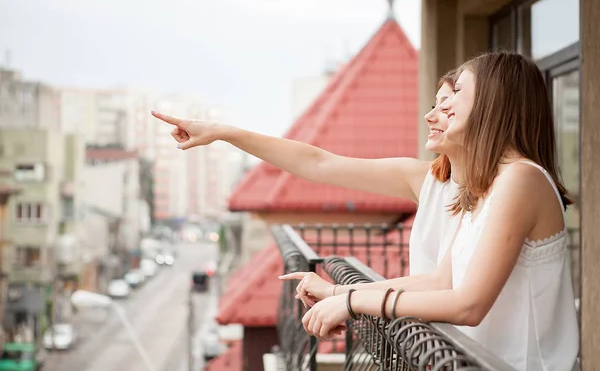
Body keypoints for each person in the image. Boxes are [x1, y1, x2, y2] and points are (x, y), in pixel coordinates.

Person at [287, 52, 579, 371]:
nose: (441, 107)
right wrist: (336, 291)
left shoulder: (522, 178)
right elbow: (440, 282)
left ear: (493, 100)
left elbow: (468, 305)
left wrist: (351, 302)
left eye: (457, 92)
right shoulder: (482, 186)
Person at [151, 72, 462, 290]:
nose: (431, 115)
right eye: (434, 104)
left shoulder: (500, 185)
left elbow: (445, 287)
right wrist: (224, 132)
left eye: (447, 105)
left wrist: (342, 297)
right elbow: (318, 163)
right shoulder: (427, 179)